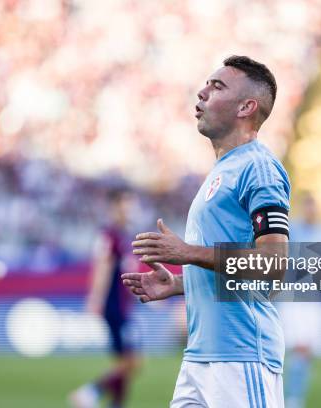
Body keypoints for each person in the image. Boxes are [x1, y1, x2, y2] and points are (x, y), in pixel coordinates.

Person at [123, 55, 290, 408]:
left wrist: (187, 254)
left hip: (241, 356)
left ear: (247, 106)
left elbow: (274, 264)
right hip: (200, 356)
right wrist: (184, 284)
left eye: (217, 87)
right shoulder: (222, 171)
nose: (201, 93)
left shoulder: (258, 168)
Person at [69, 189, 141, 408]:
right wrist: (96, 299)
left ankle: (115, 403)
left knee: (126, 361)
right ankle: (90, 392)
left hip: (123, 305)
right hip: (114, 306)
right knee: (131, 361)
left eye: (130, 205)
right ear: (114, 207)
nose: (128, 210)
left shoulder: (123, 235)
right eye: (124, 205)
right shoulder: (109, 236)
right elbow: (103, 267)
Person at [278, 192, 321, 408]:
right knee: (298, 347)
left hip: (314, 298)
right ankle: (291, 399)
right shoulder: (293, 231)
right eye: (308, 206)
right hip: (294, 298)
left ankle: (293, 395)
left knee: (307, 352)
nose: (311, 210)